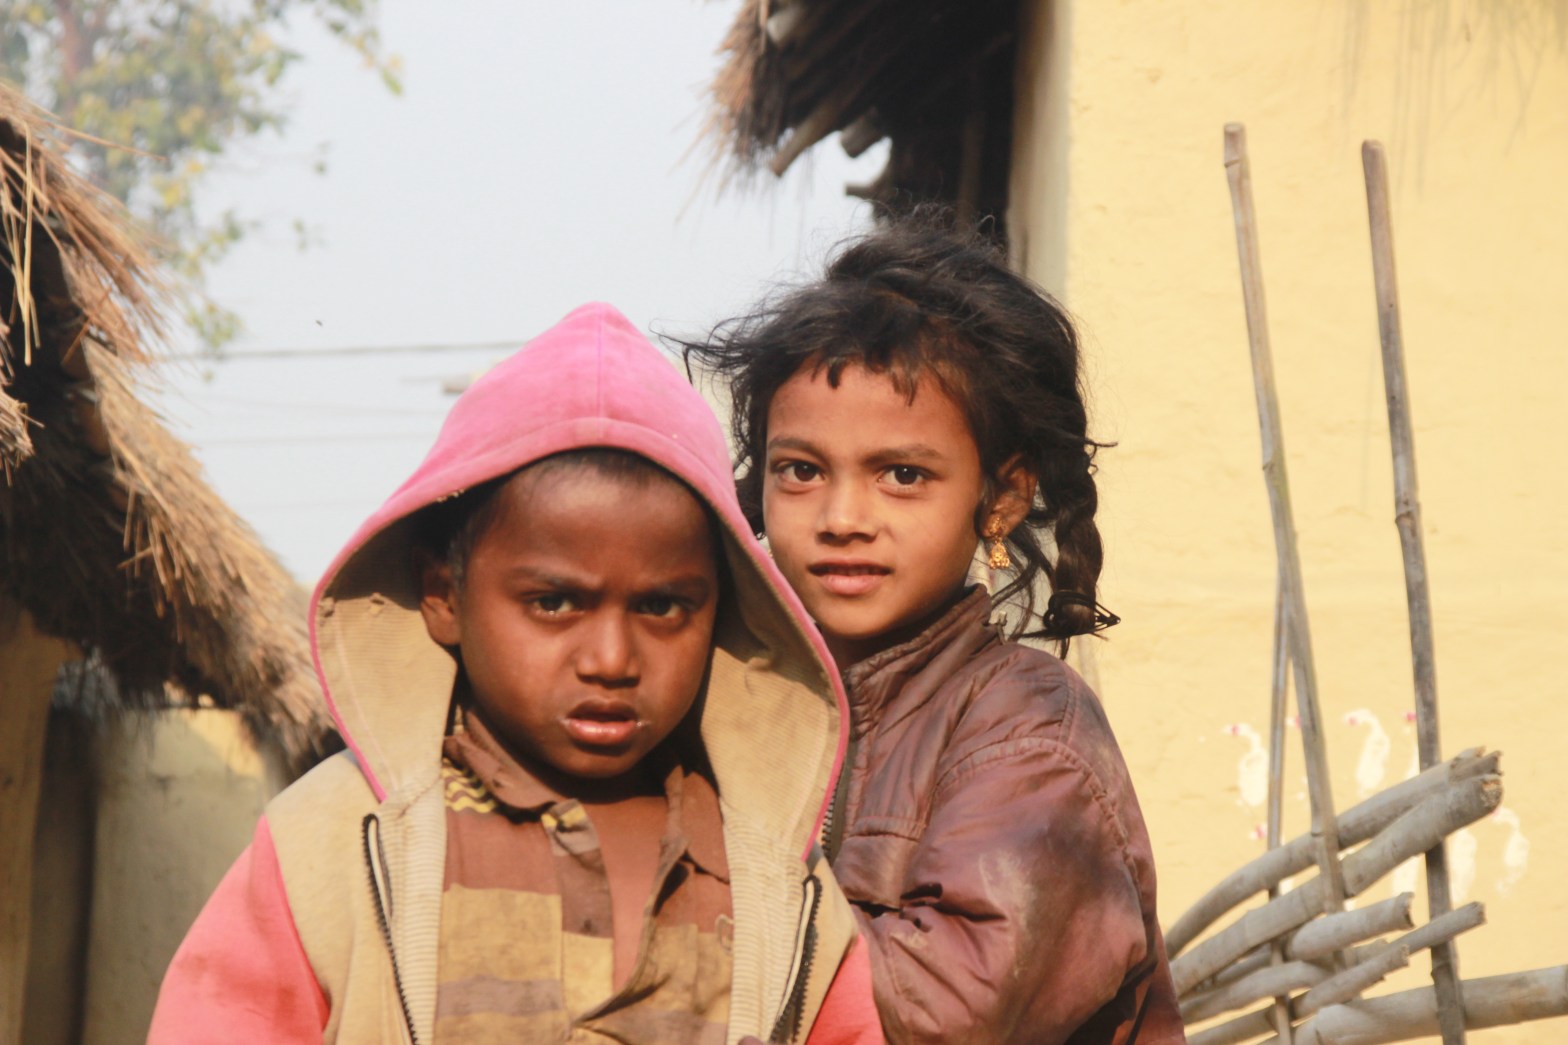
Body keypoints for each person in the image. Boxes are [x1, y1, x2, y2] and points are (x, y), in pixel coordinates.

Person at [149, 303, 883, 1045]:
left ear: (722, 610)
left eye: (662, 606)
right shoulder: (337, 839)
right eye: (555, 602)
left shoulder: (770, 870)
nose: (611, 659)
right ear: (443, 594)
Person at [682, 217, 1186, 1045]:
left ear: (1001, 500)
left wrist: (666, 937)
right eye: (801, 471)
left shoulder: (1027, 734)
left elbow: (941, 1013)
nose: (844, 518)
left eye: (902, 475)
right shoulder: (732, 697)